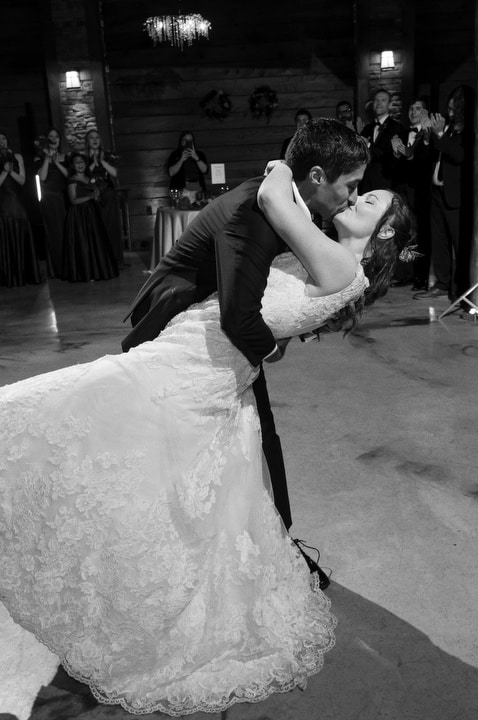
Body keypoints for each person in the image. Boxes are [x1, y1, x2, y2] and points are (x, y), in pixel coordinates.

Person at [0, 156, 412, 716]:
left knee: (85, 404)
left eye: (368, 199)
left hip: (196, 369)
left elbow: (271, 198)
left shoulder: (343, 267)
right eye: (356, 188)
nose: (354, 198)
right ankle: (152, 602)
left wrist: (283, 164)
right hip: (203, 363)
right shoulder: (323, 251)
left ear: (385, 230)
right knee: (162, 487)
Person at [123, 118, 370, 557]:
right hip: (180, 328)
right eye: (350, 186)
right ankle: (250, 550)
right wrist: (273, 349)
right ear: (316, 177)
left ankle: (269, 544)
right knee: (207, 455)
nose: (351, 197)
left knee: (256, 441)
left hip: (220, 329)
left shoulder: (285, 201)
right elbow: (238, 317)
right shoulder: (257, 215)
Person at [423, 85, 474, 300]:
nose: (450, 113)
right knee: (439, 241)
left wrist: (440, 134)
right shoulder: (449, 127)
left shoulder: (470, 130)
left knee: (458, 244)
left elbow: (459, 155)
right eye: (449, 109)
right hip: (437, 192)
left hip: (456, 194)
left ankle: (461, 288)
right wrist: (429, 138)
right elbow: (437, 153)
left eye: (455, 110)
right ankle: (442, 283)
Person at [0, 129, 42, 287]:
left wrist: (11, 171)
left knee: (23, 232)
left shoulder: (17, 157)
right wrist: (4, 171)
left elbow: (22, 181)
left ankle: (27, 273)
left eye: (4, 138)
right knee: (7, 232)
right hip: (3, 201)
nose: (1, 142)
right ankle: (11, 275)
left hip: (18, 200)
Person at [391, 97, 434, 290]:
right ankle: (405, 274)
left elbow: (426, 162)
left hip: (421, 192)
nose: (413, 112)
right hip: (404, 192)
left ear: (425, 113)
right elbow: (395, 167)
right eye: (411, 108)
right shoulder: (402, 132)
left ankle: (421, 277)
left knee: (422, 235)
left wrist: (421, 143)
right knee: (405, 233)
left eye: (418, 108)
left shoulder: (428, 134)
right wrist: (397, 153)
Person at [63, 152, 118, 282]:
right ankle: (86, 273)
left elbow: (95, 195)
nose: (80, 165)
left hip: (91, 214)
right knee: (83, 244)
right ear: (73, 165)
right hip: (79, 216)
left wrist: (97, 194)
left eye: (82, 162)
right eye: (77, 162)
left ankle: (97, 271)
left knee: (95, 243)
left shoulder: (89, 178)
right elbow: (73, 200)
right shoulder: (72, 180)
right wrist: (90, 197)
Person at [84, 129, 124, 264]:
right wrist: (93, 163)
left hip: (107, 194)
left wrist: (102, 162)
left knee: (110, 226)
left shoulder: (107, 155)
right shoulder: (83, 157)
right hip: (91, 195)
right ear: (87, 141)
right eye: (91, 138)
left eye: (97, 137)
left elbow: (115, 174)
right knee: (94, 228)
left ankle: (114, 259)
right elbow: (82, 175)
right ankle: (98, 261)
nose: (95, 140)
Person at [35, 127, 69, 279]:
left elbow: (69, 175)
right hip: (49, 199)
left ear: (59, 140)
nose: (54, 139)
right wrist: (47, 159)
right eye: (51, 136)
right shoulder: (40, 157)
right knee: (53, 232)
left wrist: (58, 162)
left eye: (56, 136)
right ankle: (56, 268)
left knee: (65, 232)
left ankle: (68, 265)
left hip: (63, 198)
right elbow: (41, 177)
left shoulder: (65, 157)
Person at [359, 89, 405, 195]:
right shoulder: (367, 128)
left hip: (385, 182)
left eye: (383, 100)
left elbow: (388, 155)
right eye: (376, 100)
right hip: (366, 183)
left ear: (389, 105)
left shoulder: (396, 128)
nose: (379, 103)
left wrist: (368, 145)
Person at [165, 130, 208, 205]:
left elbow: (205, 170)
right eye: (185, 140)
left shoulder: (199, 154)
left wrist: (196, 158)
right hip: (181, 191)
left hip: (198, 191)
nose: (188, 142)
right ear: (181, 142)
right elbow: (171, 172)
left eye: (190, 140)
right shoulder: (175, 155)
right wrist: (181, 160)